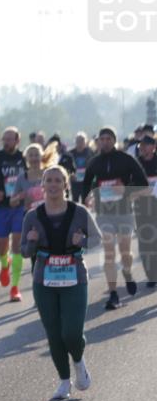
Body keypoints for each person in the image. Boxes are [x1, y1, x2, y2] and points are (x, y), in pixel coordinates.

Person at [21, 166, 103, 400]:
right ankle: (64, 381)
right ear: (43, 186)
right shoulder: (32, 216)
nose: (54, 184)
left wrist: (83, 240)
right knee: (54, 334)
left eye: (59, 180)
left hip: (74, 277)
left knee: (72, 333)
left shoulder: (79, 212)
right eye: (50, 180)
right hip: (43, 280)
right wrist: (31, 242)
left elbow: (97, 240)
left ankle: (78, 361)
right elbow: (25, 252)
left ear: (66, 185)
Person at [81, 126, 150, 310]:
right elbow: (86, 184)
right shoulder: (94, 162)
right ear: (98, 142)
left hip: (125, 211)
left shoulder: (126, 159)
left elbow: (142, 184)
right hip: (104, 213)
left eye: (108, 139)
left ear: (114, 140)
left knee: (125, 251)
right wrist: (87, 198)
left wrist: (125, 190)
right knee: (109, 252)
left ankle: (127, 273)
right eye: (101, 139)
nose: (105, 142)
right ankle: (113, 294)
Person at [0, 127, 29, 302]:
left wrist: (26, 194)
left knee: (17, 243)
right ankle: (5, 264)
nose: (6, 142)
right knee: (2, 244)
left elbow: (31, 179)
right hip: (1, 206)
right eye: (5, 139)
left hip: (19, 206)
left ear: (18, 140)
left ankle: (15, 288)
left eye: (10, 139)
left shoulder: (23, 158)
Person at [134, 135, 157, 288]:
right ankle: (151, 275)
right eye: (141, 145)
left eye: (146, 145)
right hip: (142, 207)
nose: (142, 148)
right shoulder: (136, 163)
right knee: (145, 242)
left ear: (153, 146)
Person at [66, 132, 94, 203]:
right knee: (75, 201)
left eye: (82, 141)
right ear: (75, 142)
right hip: (75, 181)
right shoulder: (70, 153)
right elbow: (67, 167)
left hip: (86, 181)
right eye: (78, 141)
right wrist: (70, 175)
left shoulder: (89, 152)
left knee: (85, 200)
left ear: (85, 142)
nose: (80, 143)